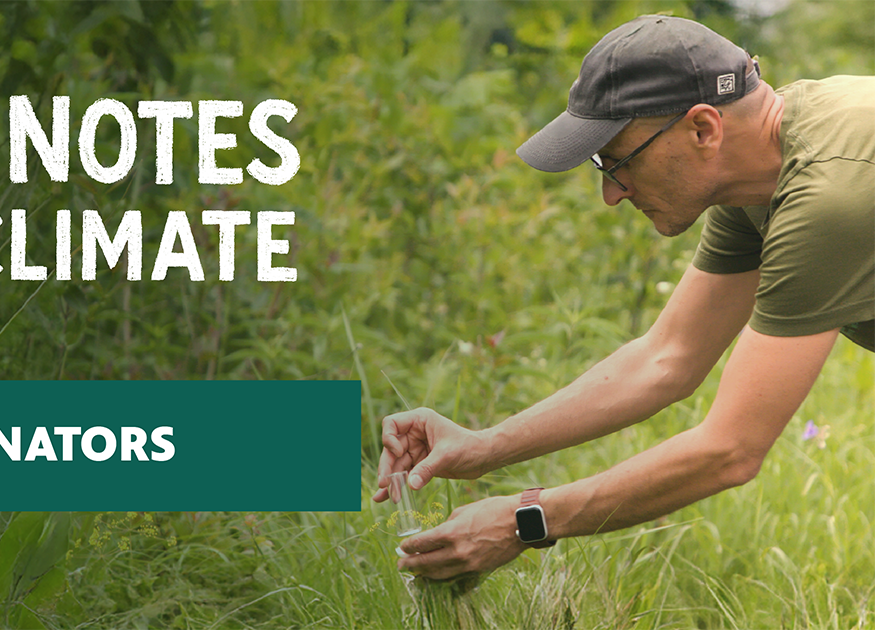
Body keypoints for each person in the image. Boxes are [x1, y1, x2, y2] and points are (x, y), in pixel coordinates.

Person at [375, 14, 875, 580]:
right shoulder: (763, 171)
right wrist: (484, 447)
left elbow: (729, 450)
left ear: (704, 129)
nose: (611, 193)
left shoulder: (831, 194)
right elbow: (667, 358)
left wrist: (521, 520)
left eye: (618, 160)